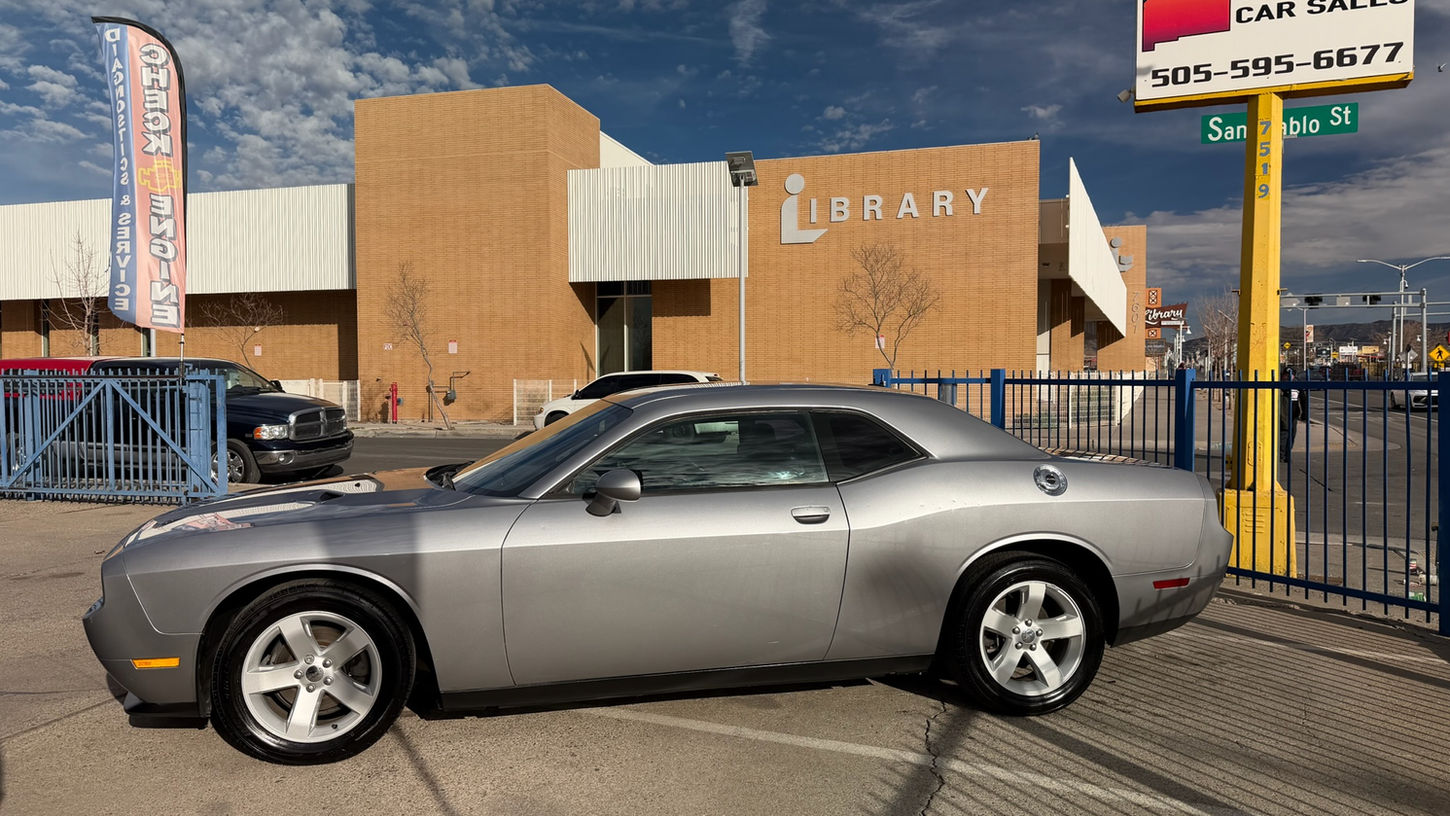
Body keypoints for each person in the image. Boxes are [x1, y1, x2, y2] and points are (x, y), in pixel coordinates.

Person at [1279, 367, 1300, 462]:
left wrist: (1304, 414)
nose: (1287, 377)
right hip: (1283, 413)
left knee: (1292, 434)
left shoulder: (1297, 385)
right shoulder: (1280, 386)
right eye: (1285, 375)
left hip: (1294, 414)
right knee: (1283, 434)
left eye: (1289, 375)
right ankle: (1281, 455)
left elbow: (1303, 399)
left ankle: (1287, 454)